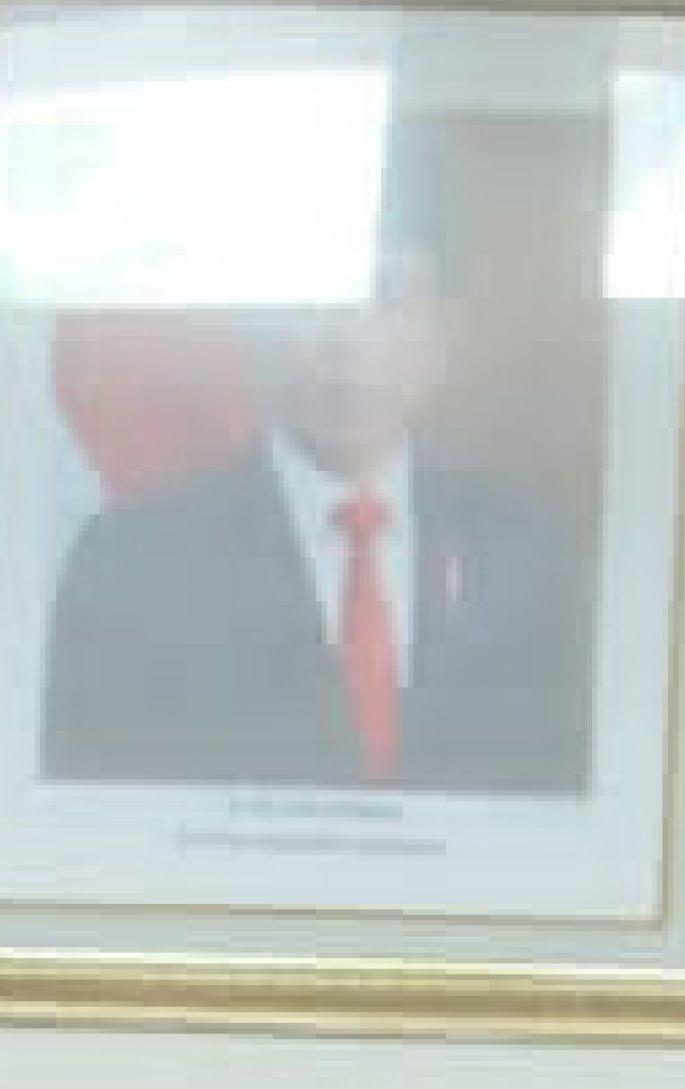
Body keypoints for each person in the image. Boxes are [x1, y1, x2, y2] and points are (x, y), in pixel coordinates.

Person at [37, 238, 593, 796]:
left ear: (442, 341)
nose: (346, 342)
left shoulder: (526, 550)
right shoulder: (136, 557)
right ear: (259, 329)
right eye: (318, 301)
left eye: (388, 301)